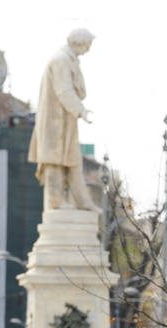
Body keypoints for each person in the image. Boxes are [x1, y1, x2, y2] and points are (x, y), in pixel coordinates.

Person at [28, 28, 100, 212]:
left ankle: (83, 202)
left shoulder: (70, 60)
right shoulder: (61, 60)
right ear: (79, 43)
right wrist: (82, 111)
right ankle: (56, 201)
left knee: (73, 160)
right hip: (55, 122)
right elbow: (64, 91)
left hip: (65, 121)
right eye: (88, 45)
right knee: (54, 161)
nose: (89, 50)